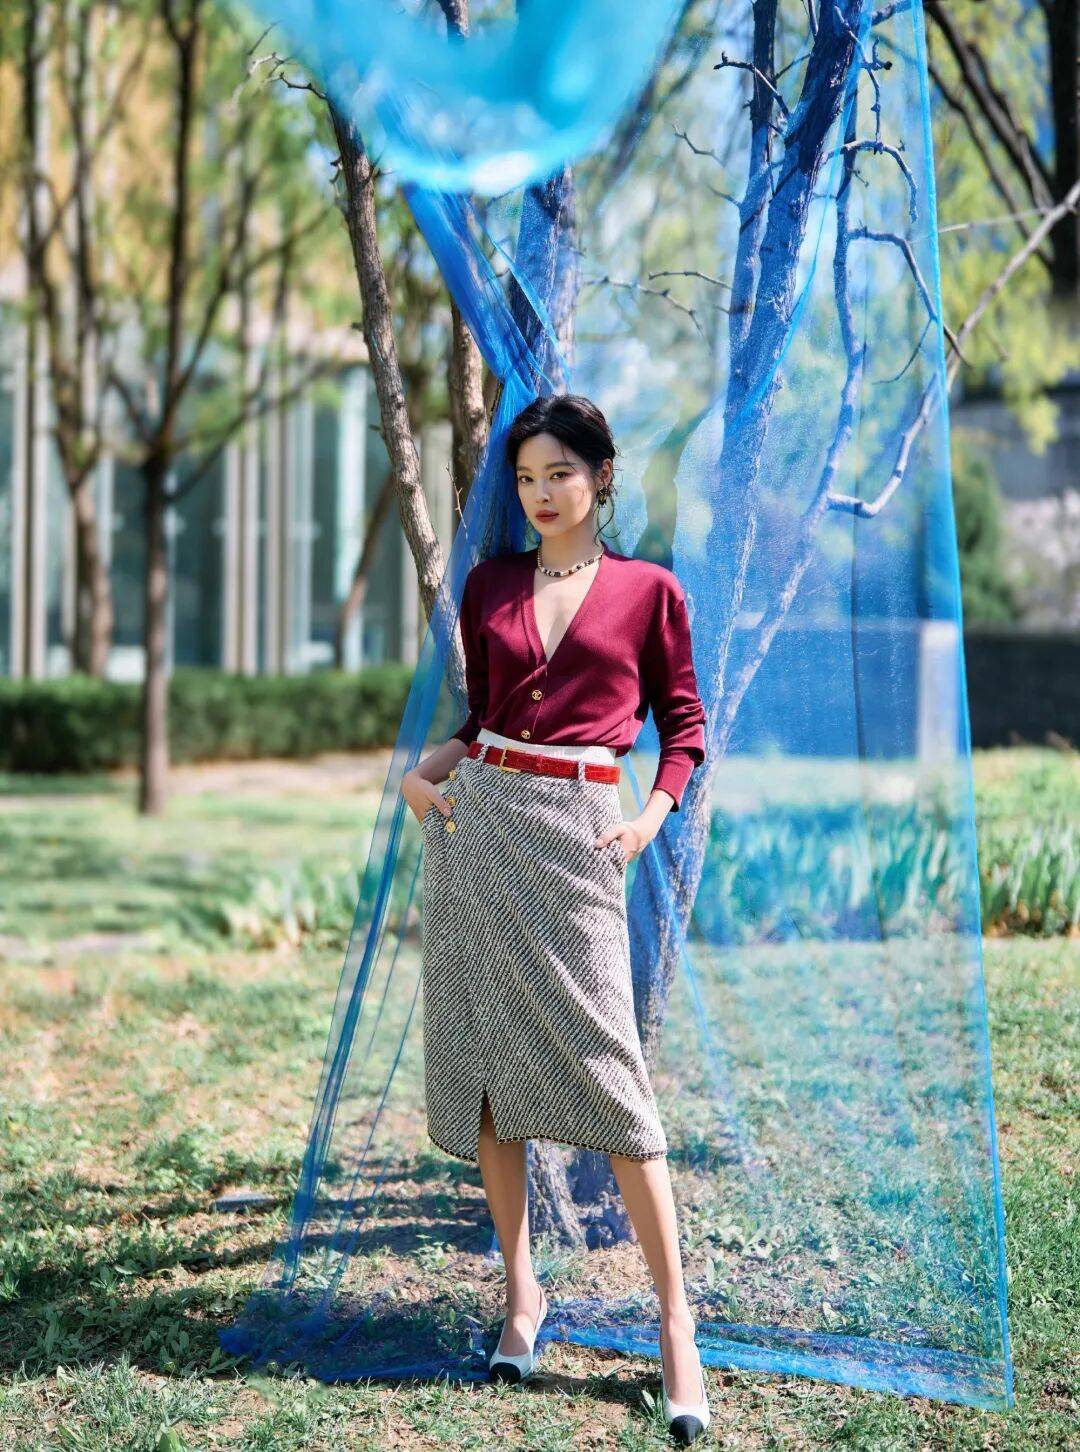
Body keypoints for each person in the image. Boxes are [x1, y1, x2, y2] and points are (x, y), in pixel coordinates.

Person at [400, 394, 711, 1443]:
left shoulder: (649, 591)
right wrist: (423, 777)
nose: (540, 493)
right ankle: (522, 1295)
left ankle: (676, 1325)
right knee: (491, 1076)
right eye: (527, 478)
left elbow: (685, 728)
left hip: (583, 835)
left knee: (616, 1085)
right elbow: (485, 718)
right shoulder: (489, 583)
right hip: (480, 826)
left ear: (601, 476)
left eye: (559, 475)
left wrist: (647, 823)